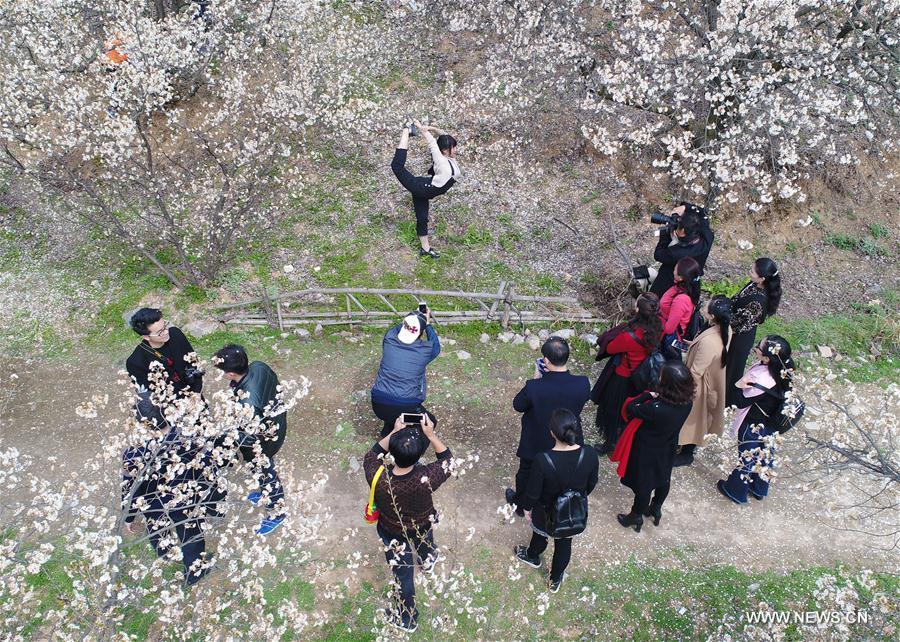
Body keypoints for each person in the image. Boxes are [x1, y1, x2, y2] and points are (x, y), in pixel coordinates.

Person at [363, 414, 452, 634]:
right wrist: (431, 435)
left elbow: (372, 454)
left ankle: (407, 618)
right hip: (422, 524)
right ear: (419, 455)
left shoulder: (378, 475)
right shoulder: (426, 477)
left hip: (391, 530)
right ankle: (428, 560)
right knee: (425, 542)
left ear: (392, 452)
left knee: (403, 575)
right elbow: (449, 462)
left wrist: (393, 432)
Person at [122, 391, 211, 586]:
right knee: (191, 532)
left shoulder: (135, 450)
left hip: (153, 500)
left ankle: (165, 552)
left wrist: (129, 516)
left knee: (156, 524)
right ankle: (195, 571)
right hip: (184, 496)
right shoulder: (186, 434)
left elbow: (130, 487)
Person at [514, 408, 599, 592]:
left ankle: (533, 556)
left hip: (544, 510)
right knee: (564, 544)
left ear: (552, 433)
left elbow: (533, 492)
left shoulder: (543, 460)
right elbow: (592, 483)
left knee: (540, 534)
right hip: (571, 512)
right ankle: (555, 579)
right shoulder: (590, 454)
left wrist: (527, 509)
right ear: (575, 429)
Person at [506, 337, 591, 515]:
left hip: (535, 441)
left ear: (545, 360)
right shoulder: (583, 383)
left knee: (526, 473)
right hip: (567, 439)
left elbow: (518, 405)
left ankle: (521, 505)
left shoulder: (534, 387)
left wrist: (536, 378)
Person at [213, 344, 288, 535]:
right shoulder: (258, 366)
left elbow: (247, 439)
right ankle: (265, 492)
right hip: (276, 422)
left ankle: (276, 511)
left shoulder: (247, 403)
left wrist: (225, 435)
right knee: (263, 472)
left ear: (230, 374)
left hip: (263, 443)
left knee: (265, 471)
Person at [612, 361, 695, 531]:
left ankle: (636, 515)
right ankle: (655, 508)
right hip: (668, 445)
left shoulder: (656, 408)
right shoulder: (687, 402)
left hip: (647, 449)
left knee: (644, 485)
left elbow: (631, 408)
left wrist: (648, 395)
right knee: (663, 478)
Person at [718, 335, 794, 505]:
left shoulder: (761, 378)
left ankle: (736, 491)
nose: (756, 348)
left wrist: (739, 385)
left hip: (753, 423)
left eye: (759, 347)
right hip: (772, 423)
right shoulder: (786, 371)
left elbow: (740, 401)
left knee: (747, 458)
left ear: (767, 358)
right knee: (766, 456)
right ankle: (758, 488)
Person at [593, 293, 663, 455]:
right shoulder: (658, 327)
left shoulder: (629, 336)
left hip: (622, 377)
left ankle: (610, 443)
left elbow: (610, 348)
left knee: (613, 411)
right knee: (630, 410)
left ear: (638, 309)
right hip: (642, 376)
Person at [674, 296, 732, 467]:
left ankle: (686, 453)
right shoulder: (726, 330)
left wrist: (679, 385)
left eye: (707, 306)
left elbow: (695, 371)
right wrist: (695, 345)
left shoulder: (708, 341)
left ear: (712, 316)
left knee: (693, 421)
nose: (704, 306)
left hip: (699, 386)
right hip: (712, 381)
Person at [390, 119, 460, 258]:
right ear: (446, 150)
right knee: (397, 166)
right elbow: (432, 143)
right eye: (454, 147)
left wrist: (431, 127)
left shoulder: (450, 158)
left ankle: (425, 249)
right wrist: (423, 130)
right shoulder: (440, 160)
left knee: (422, 218)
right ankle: (406, 130)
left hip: (426, 188)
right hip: (421, 188)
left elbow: (445, 135)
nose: (456, 149)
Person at [371, 308, 441, 437]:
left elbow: (398, 328)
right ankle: (403, 444)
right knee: (431, 422)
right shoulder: (425, 351)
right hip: (407, 406)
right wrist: (427, 323)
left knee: (392, 417)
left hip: (378, 404)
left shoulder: (389, 339)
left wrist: (413, 316)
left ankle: (387, 431)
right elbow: (436, 346)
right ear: (420, 332)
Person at [725, 258, 782, 406]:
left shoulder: (759, 302)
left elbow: (738, 323)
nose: (749, 272)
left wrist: (721, 318)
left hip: (740, 336)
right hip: (736, 326)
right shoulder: (754, 284)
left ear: (762, 278)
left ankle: (726, 400)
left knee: (732, 368)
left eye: (752, 271)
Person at [126, 308, 203, 395]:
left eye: (165, 326)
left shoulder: (175, 333)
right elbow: (149, 394)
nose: (166, 332)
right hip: (170, 403)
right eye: (160, 332)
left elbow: (193, 360)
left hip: (194, 391)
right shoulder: (135, 362)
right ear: (146, 337)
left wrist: (197, 391)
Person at [649, 202, 714, 297]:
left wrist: (666, 234)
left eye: (678, 226)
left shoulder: (677, 253)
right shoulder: (707, 237)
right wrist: (685, 207)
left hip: (668, 282)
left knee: (654, 300)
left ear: (683, 231)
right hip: (691, 285)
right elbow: (702, 213)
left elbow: (658, 255)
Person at [659, 256, 701, 355]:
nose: (673, 270)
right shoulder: (682, 288)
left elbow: (669, 329)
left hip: (669, 337)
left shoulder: (681, 300)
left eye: (675, 269)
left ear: (681, 278)